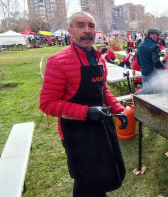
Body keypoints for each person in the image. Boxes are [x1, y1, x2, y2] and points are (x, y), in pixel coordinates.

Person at [39, 12, 128, 197]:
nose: (87, 30)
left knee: (101, 175)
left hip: (101, 128)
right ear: (70, 31)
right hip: (76, 133)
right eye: (80, 25)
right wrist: (86, 112)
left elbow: (103, 91)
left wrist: (117, 109)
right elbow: (47, 104)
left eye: (91, 25)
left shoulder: (98, 58)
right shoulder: (57, 62)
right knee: (85, 181)